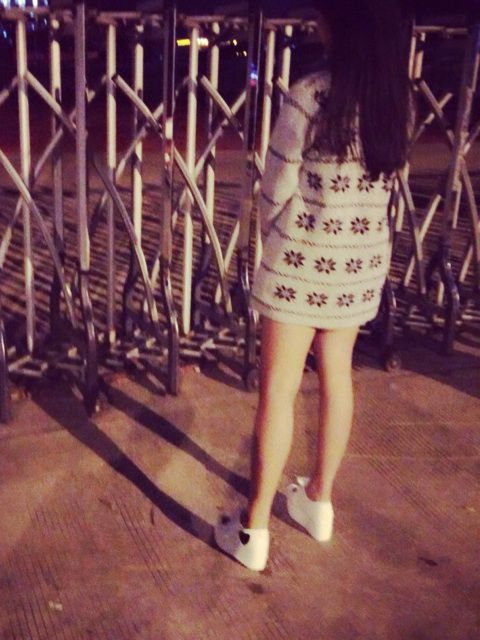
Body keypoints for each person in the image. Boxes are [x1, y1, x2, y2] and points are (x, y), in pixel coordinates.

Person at [215, 0, 412, 571]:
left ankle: (253, 530)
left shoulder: (310, 94)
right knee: (337, 376)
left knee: (279, 389)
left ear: (340, 26)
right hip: (358, 264)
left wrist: (278, 236)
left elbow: (276, 185)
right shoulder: (392, 101)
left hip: (301, 264)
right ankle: (318, 502)